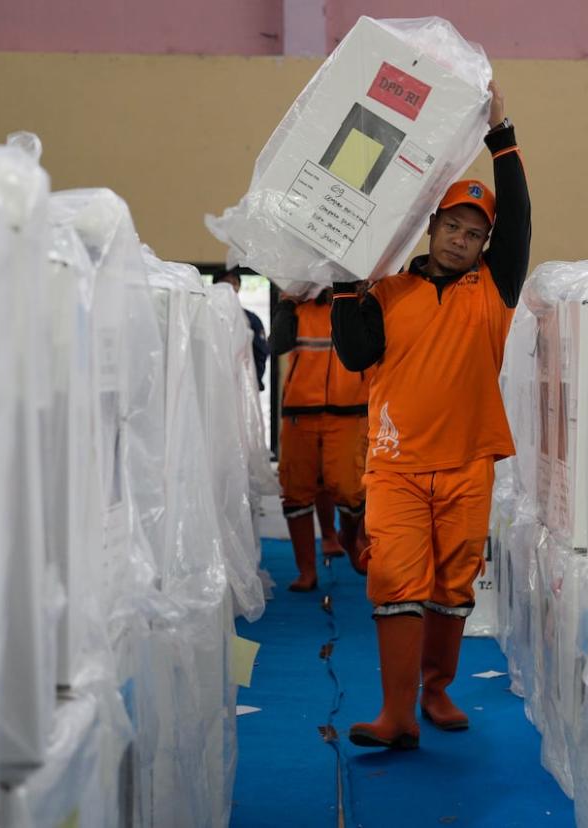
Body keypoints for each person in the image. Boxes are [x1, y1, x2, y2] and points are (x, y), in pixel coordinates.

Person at [330, 80, 529, 749]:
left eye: (476, 234)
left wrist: (502, 138)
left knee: (453, 585)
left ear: (484, 246)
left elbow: (519, 220)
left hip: (469, 462)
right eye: (453, 227)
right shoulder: (389, 292)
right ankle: (397, 715)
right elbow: (356, 355)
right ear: (434, 226)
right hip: (397, 469)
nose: (462, 240)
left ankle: (436, 689)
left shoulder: (492, 291)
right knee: (394, 582)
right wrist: (341, 287)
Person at [270, 287, 371, 591]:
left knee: (351, 488)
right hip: (300, 412)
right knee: (296, 489)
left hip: (350, 411)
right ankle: (306, 571)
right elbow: (278, 345)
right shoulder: (297, 304)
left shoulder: (362, 301)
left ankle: (349, 536)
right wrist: (286, 303)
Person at [214, 265, 269, 391]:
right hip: (215, 383)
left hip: (244, 385)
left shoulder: (250, 319)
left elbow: (261, 352)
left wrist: (255, 381)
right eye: (226, 283)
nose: (231, 287)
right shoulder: (206, 315)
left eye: (235, 283)